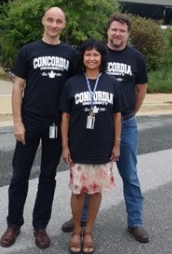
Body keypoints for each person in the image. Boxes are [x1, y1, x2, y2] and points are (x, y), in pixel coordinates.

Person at [61, 13, 149, 243]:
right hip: (92, 128)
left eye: (122, 30)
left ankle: (135, 222)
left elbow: (141, 89)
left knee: (129, 174)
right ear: (108, 32)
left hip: (124, 124)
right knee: (90, 170)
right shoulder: (99, 54)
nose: (117, 34)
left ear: (128, 34)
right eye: (114, 29)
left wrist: (129, 114)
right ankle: (80, 220)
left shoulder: (136, 58)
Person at [0, 6, 77, 250]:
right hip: (30, 122)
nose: (54, 25)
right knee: (19, 175)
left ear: (64, 25)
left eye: (59, 21)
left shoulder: (71, 54)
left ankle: (40, 226)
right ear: (43, 21)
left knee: (48, 176)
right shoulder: (28, 51)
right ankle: (13, 224)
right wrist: (17, 122)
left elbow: (75, 89)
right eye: (50, 20)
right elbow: (17, 87)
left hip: (56, 125)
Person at [59, 38, 122, 254]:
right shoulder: (73, 82)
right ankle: (76, 231)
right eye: (88, 54)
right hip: (78, 146)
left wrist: (117, 145)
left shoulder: (112, 83)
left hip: (103, 147)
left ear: (102, 58)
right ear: (82, 57)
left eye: (96, 54)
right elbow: (65, 117)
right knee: (78, 191)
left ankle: (89, 232)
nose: (92, 58)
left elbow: (117, 116)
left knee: (96, 191)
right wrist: (65, 146)